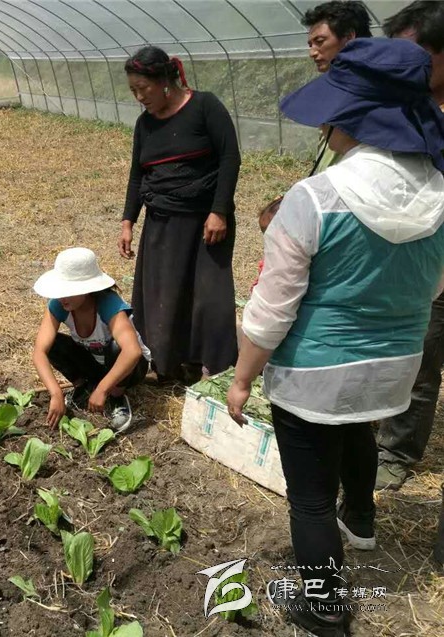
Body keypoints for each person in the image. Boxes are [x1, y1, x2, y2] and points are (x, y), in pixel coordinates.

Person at [227, 38, 444, 637]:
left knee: (310, 499)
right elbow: (431, 288)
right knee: (357, 432)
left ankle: (324, 609)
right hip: (394, 368)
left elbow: (271, 312)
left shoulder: (314, 200)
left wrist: (242, 379)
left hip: (314, 376)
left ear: (348, 119)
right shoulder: (440, 194)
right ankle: (362, 522)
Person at [118, 46, 240, 383]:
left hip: (206, 222)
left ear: (164, 82)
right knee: (164, 295)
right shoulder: (145, 124)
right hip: (163, 221)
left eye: (143, 88)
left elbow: (230, 158)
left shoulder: (204, 107)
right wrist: (128, 221)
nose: (139, 96)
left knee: (209, 296)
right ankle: (166, 364)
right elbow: (137, 175)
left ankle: (213, 366)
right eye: (133, 90)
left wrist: (218, 211)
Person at [375, 0, 444, 491]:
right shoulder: (406, 109)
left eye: (414, 56)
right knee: (408, 352)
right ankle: (387, 440)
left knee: (422, 356)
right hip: (411, 254)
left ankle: (397, 451)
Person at [32, 248, 150, 432]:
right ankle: (83, 386)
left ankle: (117, 396)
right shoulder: (59, 305)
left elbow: (132, 351)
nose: (62, 297)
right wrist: (55, 393)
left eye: (68, 291)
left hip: (130, 369)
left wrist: (103, 390)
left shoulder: (108, 304)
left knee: (117, 347)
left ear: (87, 289)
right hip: (95, 363)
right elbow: (39, 351)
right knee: (54, 344)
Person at [302, 1, 372, 173]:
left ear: (349, 37)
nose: (312, 52)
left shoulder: (373, 89)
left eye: (319, 41)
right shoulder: (336, 86)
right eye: (310, 45)